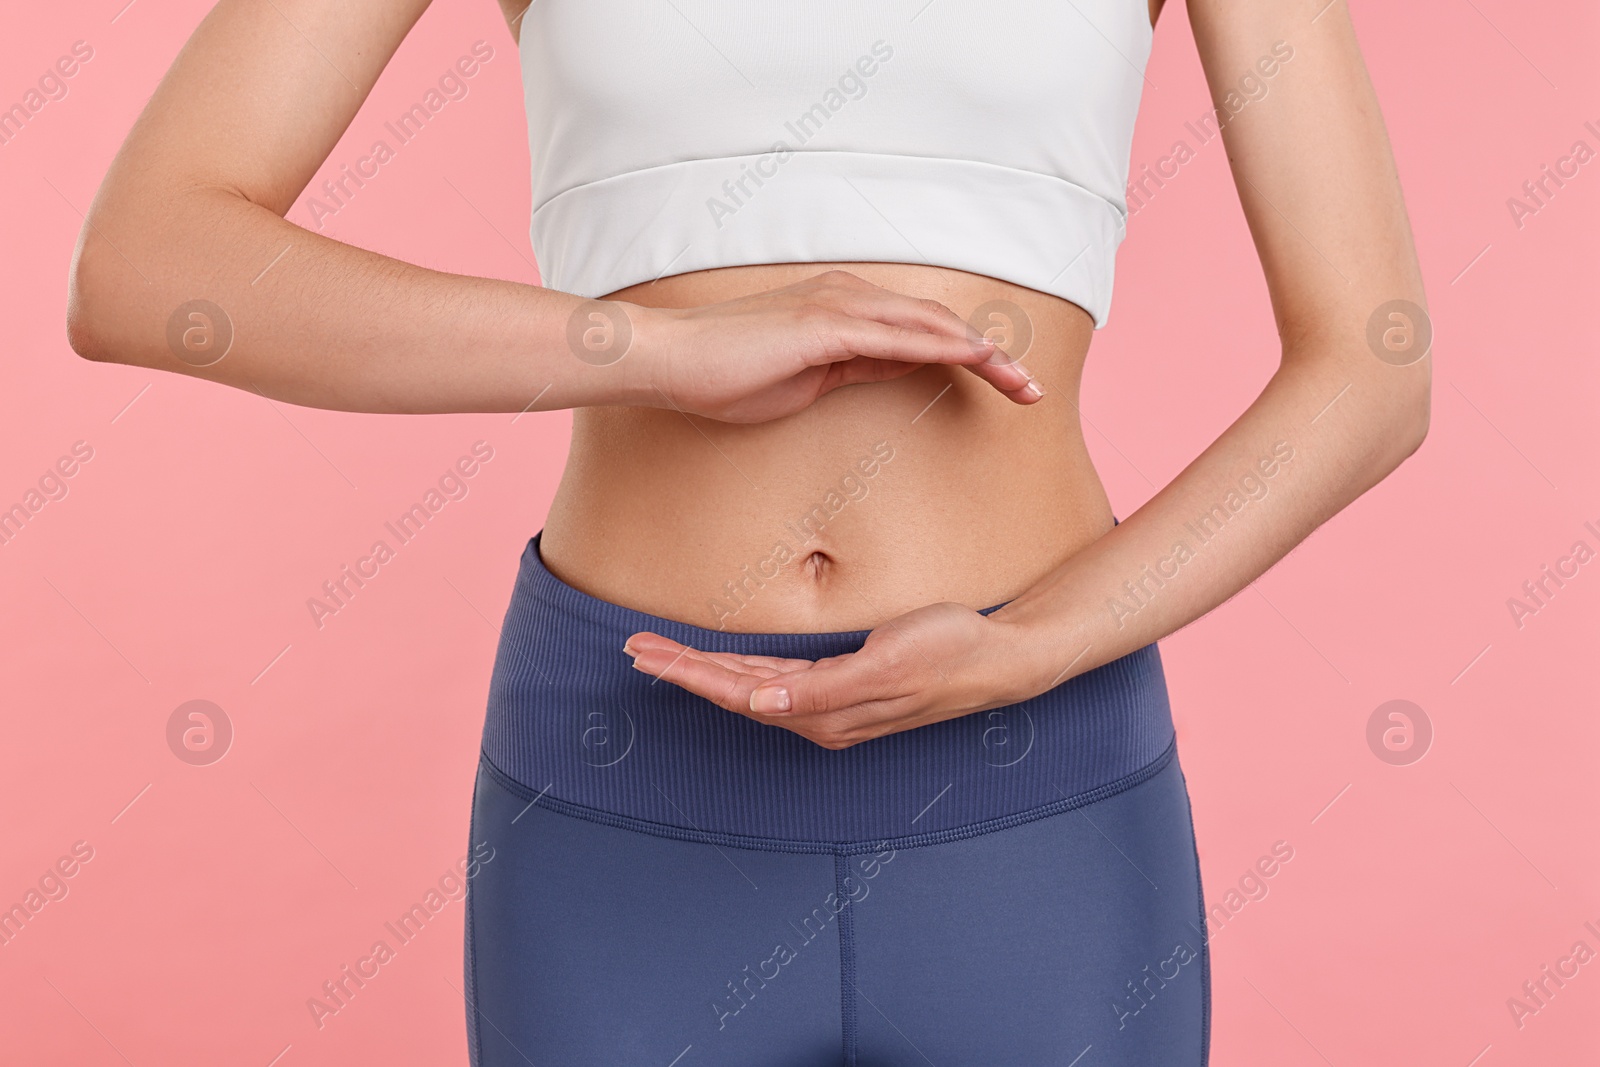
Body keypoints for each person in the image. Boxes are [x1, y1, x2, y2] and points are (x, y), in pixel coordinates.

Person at [66, 0, 1430, 1062]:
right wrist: (654, 349)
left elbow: (1374, 369)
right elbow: (150, 263)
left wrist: (1034, 650)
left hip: (1037, 796)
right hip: (625, 780)